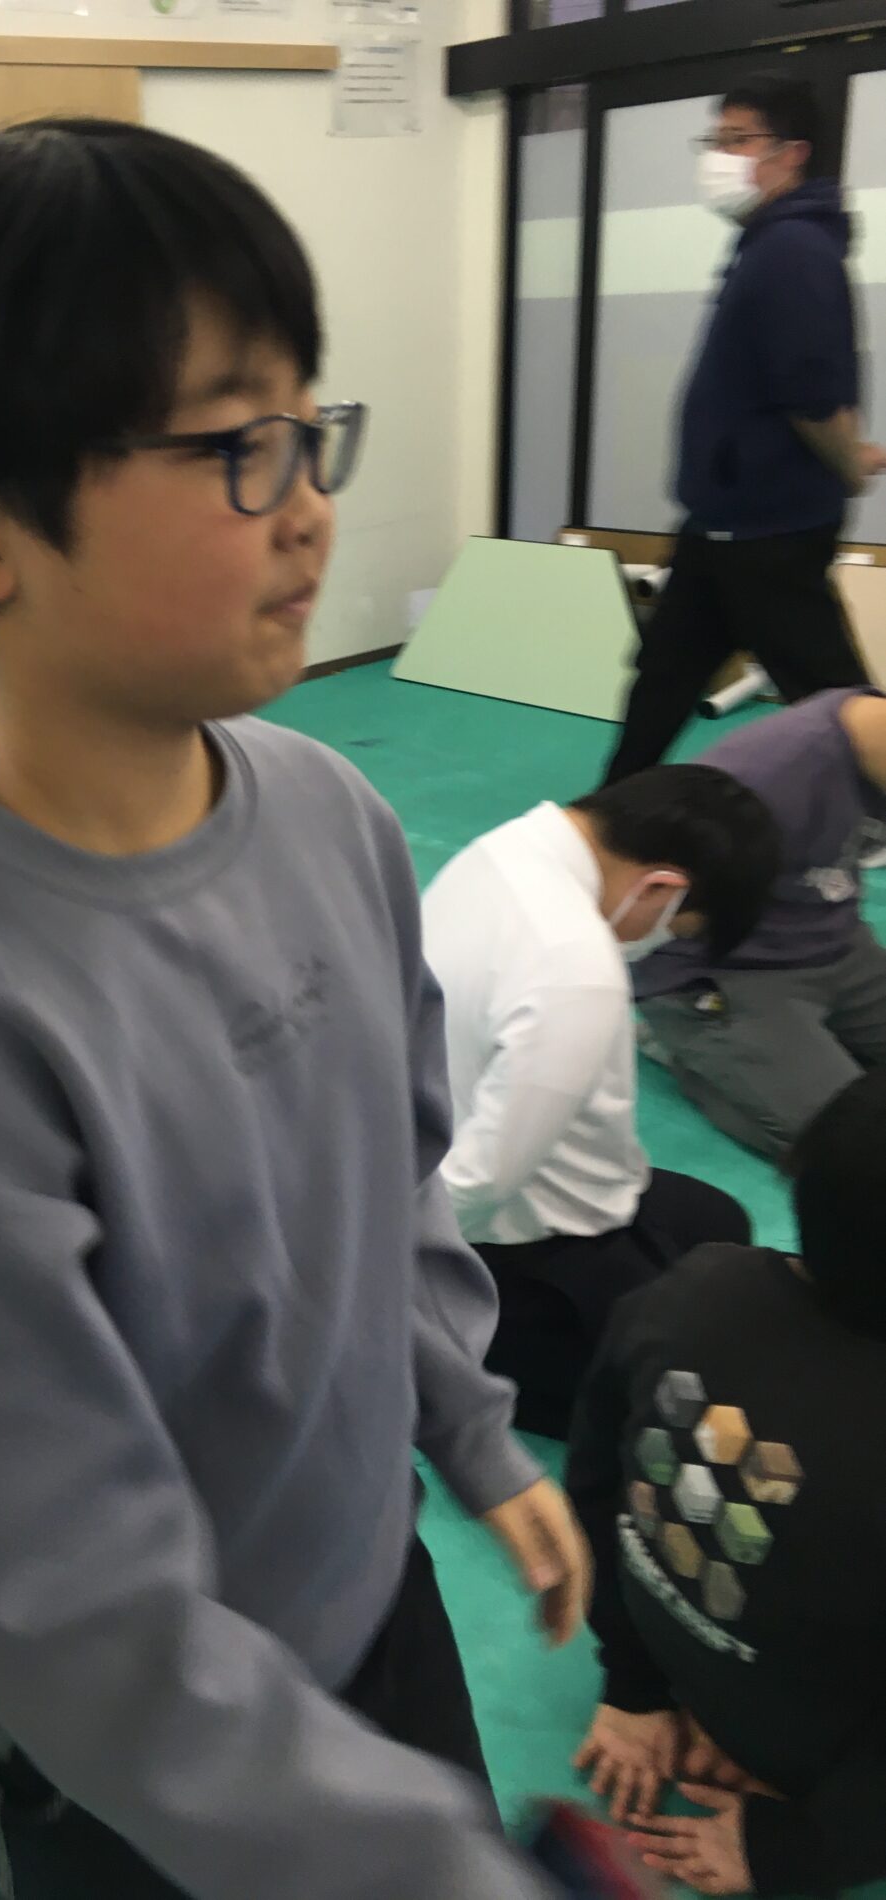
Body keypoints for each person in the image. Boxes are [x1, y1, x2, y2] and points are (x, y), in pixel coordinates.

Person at [0, 119, 587, 1900]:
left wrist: (468, 1432)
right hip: (119, 1764)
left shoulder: (332, 814)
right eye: (232, 446)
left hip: (363, 1599)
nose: (308, 504)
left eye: (307, 425)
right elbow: (85, 1624)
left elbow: (392, 1187)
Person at [566, 1069, 886, 1899]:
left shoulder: (694, 1286)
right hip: (806, 1760)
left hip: (668, 1661)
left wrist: (632, 1685)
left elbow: (595, 1484)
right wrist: (801, 1851)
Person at [422, 768, 778, 1438]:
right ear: (660, 887)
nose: (659, 942)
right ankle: (467, 1344)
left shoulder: (504, 849)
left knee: (715, 1219)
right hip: (509, 1245)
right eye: (674, 930)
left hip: (443, 1161)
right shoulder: (574, 970)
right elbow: (477, 1182)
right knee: (681, 1386)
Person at [603, 74, 885, 787]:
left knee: (828, 694)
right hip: (722, 522)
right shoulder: (765, 243)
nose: (719, 157)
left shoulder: (792, 249)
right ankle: (612, 808)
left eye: (738, 140)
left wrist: (848, 467)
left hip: (768, 528)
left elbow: (812, 396)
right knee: (664, 674)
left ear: (792, 153)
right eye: (715, 140)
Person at [637, 687, 886, 1160]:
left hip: (836, 942)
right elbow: (645, 906)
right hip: (718, 971)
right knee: (855, 1150)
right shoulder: (759, 778)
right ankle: (691, 1051)